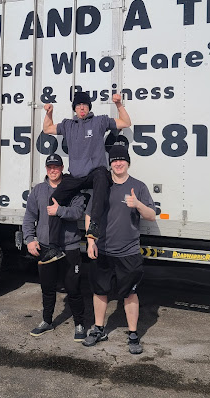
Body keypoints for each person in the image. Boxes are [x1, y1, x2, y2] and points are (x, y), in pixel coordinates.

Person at [41, 90, 131, 264]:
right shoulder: (68, 125)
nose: (81, 107)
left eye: (84, 105)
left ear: (89, 107)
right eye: (78, 105)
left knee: (102, 176)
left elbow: (126, 122)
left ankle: (94, 225)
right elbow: (47, 128)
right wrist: (49, 113)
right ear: (74, 108)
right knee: (54, 199)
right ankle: (54, 247)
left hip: (94, 172)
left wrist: (118, 104)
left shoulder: (99, 121)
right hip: (76, 175)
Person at [82, 143, 156, 355]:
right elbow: (89, 215)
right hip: (103, 249)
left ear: (128, 162)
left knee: (130, 294)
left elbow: (151, 215)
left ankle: (133, 334)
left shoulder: (138, 186)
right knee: (100, 291)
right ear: (110, 164)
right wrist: (90, 241)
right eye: (114, 160)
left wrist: (138, 205)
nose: (118, 163)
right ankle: (98, 329)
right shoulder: (103, 186)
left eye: (121, 159)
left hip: (129, 252)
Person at [22, 153, 88, 342]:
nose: (53, 170)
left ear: (62, 168)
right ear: (46, 169)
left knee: (73, 288)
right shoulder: (38, 191)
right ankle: (47, 321)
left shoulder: (72, 189)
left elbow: (78, 212)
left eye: (56, 167)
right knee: (47, 288)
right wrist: (30, 239)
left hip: (69, 247)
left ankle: (79, 324)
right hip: (45, 247)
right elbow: (29, 218)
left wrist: (59, 210)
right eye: (50, 167)